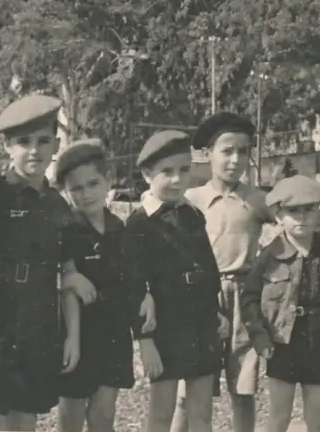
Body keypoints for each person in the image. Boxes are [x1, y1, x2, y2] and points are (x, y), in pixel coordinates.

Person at [0, 95, 83, 431]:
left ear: (56, 145)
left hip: (39, 326)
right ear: (7, 146)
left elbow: (68, 273)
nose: (34, 151)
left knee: (26, 417)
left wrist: (71, 337)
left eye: (42, 141)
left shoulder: (57, 204)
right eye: (23, 142)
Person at [171, 112, 274, 432]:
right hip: (202, 299)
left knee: (243, 385)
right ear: (208, 153)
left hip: (244, 298)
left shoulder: (257, 200)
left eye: (243, 152)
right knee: (189, 390)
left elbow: (296, 216)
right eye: (226, 151)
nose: (235, 159)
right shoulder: (191, 200)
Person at [124, 130, 229, 432]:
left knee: (201, 413)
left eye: (184, 170)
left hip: (200, 322)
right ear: (147, 174)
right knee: (161, 414)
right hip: (164, 329)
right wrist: (145, 342)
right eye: (166, 172)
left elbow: (207, 269)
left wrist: (216, 311)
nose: (177, 179)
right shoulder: (140, 223)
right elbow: (134, 286)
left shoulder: (192, 214)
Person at [54, 139, 156, 432]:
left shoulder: (118, 228)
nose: (86, 195)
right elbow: (60, 281)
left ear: (108, 182)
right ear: (65, 192)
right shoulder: (67, 230)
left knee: (103, 416)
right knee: (70, 416)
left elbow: (131, 276)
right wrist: (71, 338)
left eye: (93, 183)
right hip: (78, 330)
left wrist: (145, 294)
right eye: (76, 188)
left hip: (113, 332)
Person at [240, 175, 320, 432]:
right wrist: (260, 338)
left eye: (309, 209)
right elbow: (249, 299)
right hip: (282, 343)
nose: (301, 217)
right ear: (278, 216)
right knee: (279, 418)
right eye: (293, 211)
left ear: (319, 213)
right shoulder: (269, 255)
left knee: (317, 419)